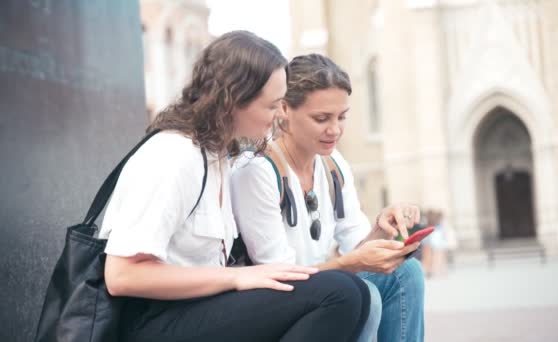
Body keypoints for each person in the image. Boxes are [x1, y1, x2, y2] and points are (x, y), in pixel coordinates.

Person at [98, 31, 370, 342]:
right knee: (338, 293)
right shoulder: (174, 156)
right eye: (273, 106)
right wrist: (237, 277)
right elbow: (121, 276)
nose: (281, 115)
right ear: (232, 101)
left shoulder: (218, 156)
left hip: (202, 309)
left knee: (355, 292)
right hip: (156, 322)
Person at [231, 53, 425, 342]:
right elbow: (281, 275)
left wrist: (381, 229)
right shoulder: (257, 170)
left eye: (341, 117)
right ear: (284, 109)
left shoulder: (333, 162)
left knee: (406, 272)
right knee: (364, 294)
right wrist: (354, 263)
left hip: (325, 287)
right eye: (321, 118)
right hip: (270, 302)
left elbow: (355, 245)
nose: (335, 130)